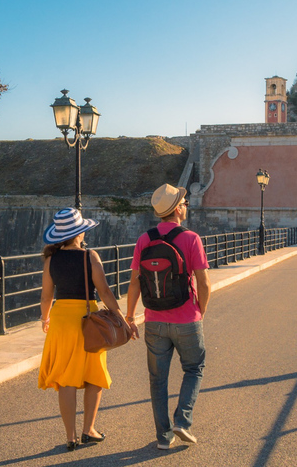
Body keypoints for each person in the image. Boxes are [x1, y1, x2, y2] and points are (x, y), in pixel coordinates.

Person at [37, 208, 138, 452]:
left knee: (66, 378)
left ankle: (70, 437)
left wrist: (45, 318)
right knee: (94, 375)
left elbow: (46, 296)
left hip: (61, 320)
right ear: (80, 233)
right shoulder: (90, 256)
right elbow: (104, 291)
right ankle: (88, 430)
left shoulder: (51, 260)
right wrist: (122, 318)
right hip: (87, 320)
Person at [126, 184, 211, 450]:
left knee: (157, 380)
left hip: (153, 320)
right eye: (184, 202)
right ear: (177, 209)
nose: (187, 206)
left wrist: (130, 316)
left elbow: (134, 283)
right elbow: (204, 282)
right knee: (194, 368)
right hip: (186, 318)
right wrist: (201, 310)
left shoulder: (144, 239)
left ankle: (163, 437)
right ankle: (182, 421)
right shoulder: (191, 238)